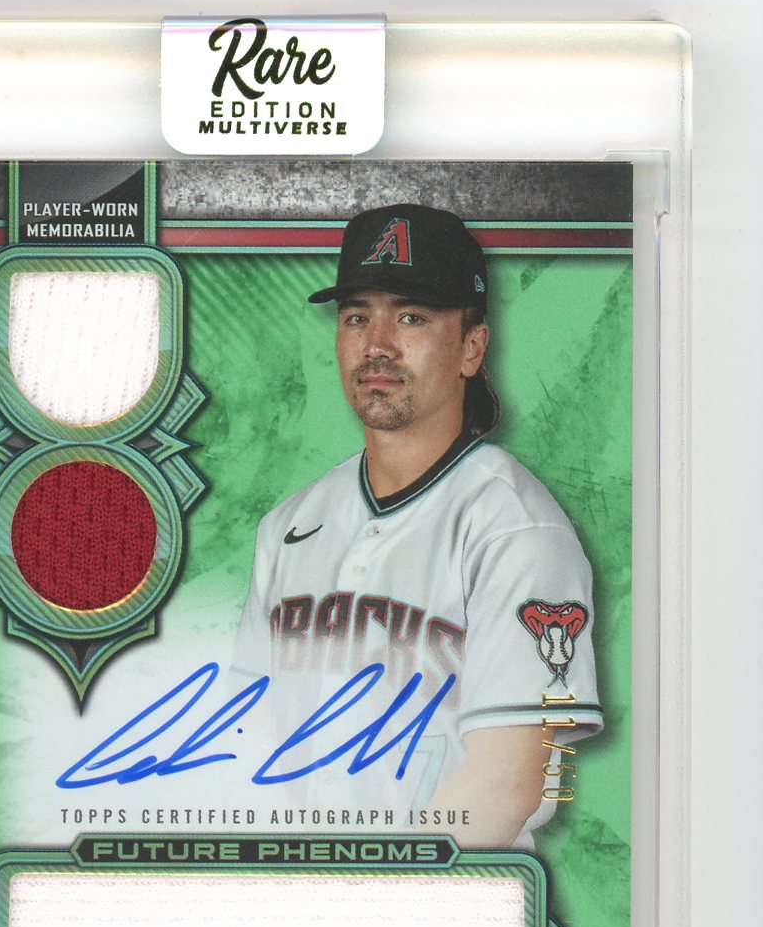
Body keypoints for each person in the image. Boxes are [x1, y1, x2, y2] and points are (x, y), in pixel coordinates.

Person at [232, 202, 602, 849]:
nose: (377, 344)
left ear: (472, 347)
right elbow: (244, 742)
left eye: (412, 316)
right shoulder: (289, 525)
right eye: (357, 316)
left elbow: (507, 782)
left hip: (454, 901)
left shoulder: (516, 531)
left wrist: (380, 901)